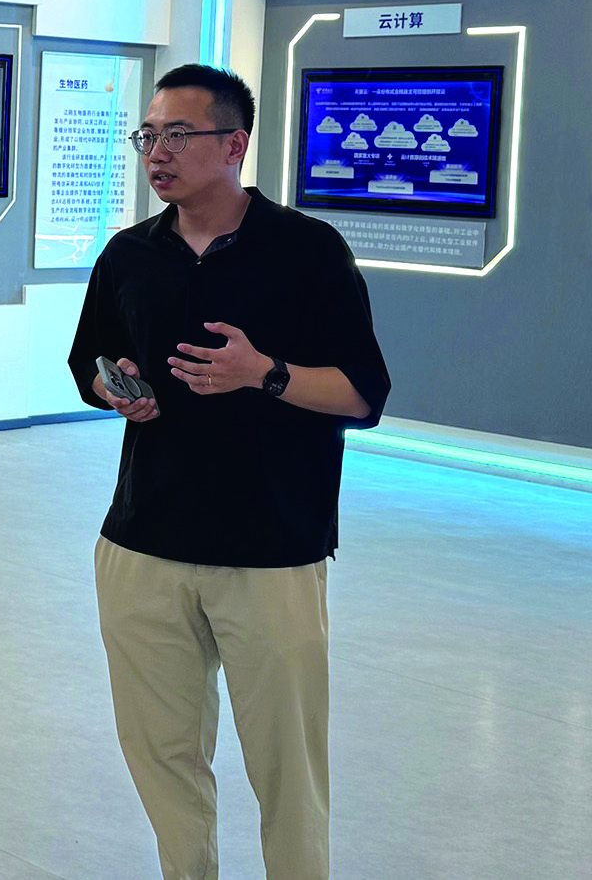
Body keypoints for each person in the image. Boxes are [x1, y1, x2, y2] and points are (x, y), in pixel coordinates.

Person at [67, 64, 391, 880]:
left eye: (178, 135)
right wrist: (116, 387)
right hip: (143, 540)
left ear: (234, 144)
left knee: (288, 767)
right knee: (161, 754)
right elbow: (89, 361)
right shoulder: (129, 254)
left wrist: (264, 373)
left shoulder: (308, 251)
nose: (157, 152)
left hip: (271, 549)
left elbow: (363, 393)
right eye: (148, 135)